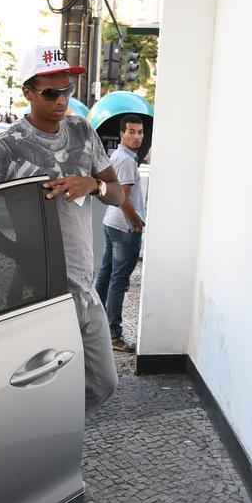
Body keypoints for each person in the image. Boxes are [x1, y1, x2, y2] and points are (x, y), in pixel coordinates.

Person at [0, 49, 125, 503]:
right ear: (28, 93)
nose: (63, 101)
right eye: (52, 92)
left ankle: (33, 451)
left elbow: (118, 192)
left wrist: (90, 186)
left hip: (82, 283)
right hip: (37, 292)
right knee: (47, 385)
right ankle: (49, 484)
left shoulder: (82, 133)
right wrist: (16, 251)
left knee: (102, 382)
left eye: (68, 90)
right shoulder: (7, 148)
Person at [95, 115, 147, 353]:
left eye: (140, 132)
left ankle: (95, 326)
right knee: (118, 280)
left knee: (106, 276)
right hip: (124, 227)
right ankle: (113, 334)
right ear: (122, 134)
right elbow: (122, 197)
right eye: (132, 132)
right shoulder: (125, 160)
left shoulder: (118, 155)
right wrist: (135, 221)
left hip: (111, 224)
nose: (137, 136)